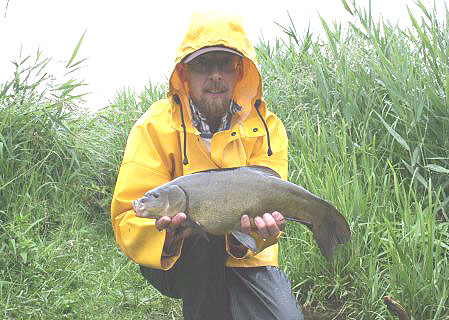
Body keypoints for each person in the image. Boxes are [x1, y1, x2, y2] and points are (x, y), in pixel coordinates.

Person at [111, 12, 304, 320]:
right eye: (203, 64)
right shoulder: (153, 126)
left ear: (239, 71)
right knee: (199, 236)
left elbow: (271, 218)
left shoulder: (268, 127)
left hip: (248, 256)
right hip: (182, 255)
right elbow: (129, 214)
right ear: (185, 73)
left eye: (225, 64)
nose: (215, 75)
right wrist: (168, 236)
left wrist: (254, 237)